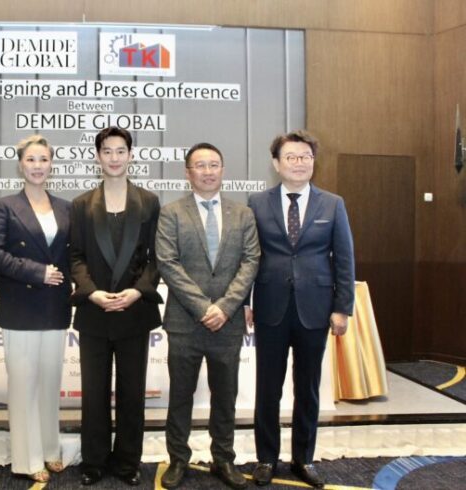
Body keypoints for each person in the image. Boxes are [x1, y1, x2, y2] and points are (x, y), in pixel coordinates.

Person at [246, 130, 355, 488]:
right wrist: (245, 302)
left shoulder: (332, 204)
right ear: (276, 163)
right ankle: (266, 458)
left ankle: (303, 459)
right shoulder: (257, 203)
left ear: (313, 162)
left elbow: (344, 259)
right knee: (268, 387)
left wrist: (342, 308)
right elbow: (247, 257)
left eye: (305, 156)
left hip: (315, 308)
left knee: (307, 388)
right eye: (291, 157)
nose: (299, 163)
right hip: (270, 307)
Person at [155, 143, 260, 489]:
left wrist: (225, 307)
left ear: (222, 170)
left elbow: (251, 262)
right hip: (185, 322)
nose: (208, 171)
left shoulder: (242, 214)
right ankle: (178, 459)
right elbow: (167, 263)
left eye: (214, 164)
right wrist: (203, 307)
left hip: (227, 323)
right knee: (181, 396)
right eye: (200, 165)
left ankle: (223, 459)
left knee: (225, 396)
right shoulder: (171, 213)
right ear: (188, 173)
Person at [70, 126, 162, 486]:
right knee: (93, 393)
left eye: (120, 151)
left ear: (130, 155)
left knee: (131, 391)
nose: (114, 157)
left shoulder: (149, 202)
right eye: (107, 151)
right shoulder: (81, 205)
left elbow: (157, 258)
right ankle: (93, 461)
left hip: (134, 311)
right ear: (97, 156)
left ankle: (127, 462)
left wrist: (138, 292)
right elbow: (75, 257)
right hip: (94, 311)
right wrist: (91, 292)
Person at [0, 135, 72, 483]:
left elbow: (73, 255)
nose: (38, 166)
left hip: (55, 306)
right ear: (20, 165)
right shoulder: (4, 206)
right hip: (20, 307)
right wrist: (37, 272)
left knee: (49, 383)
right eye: (31, 159)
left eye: (44, 159)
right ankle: (26, 458)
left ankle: (50, 449)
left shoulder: (66, 208)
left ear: (52, 164)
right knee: (23, 387)